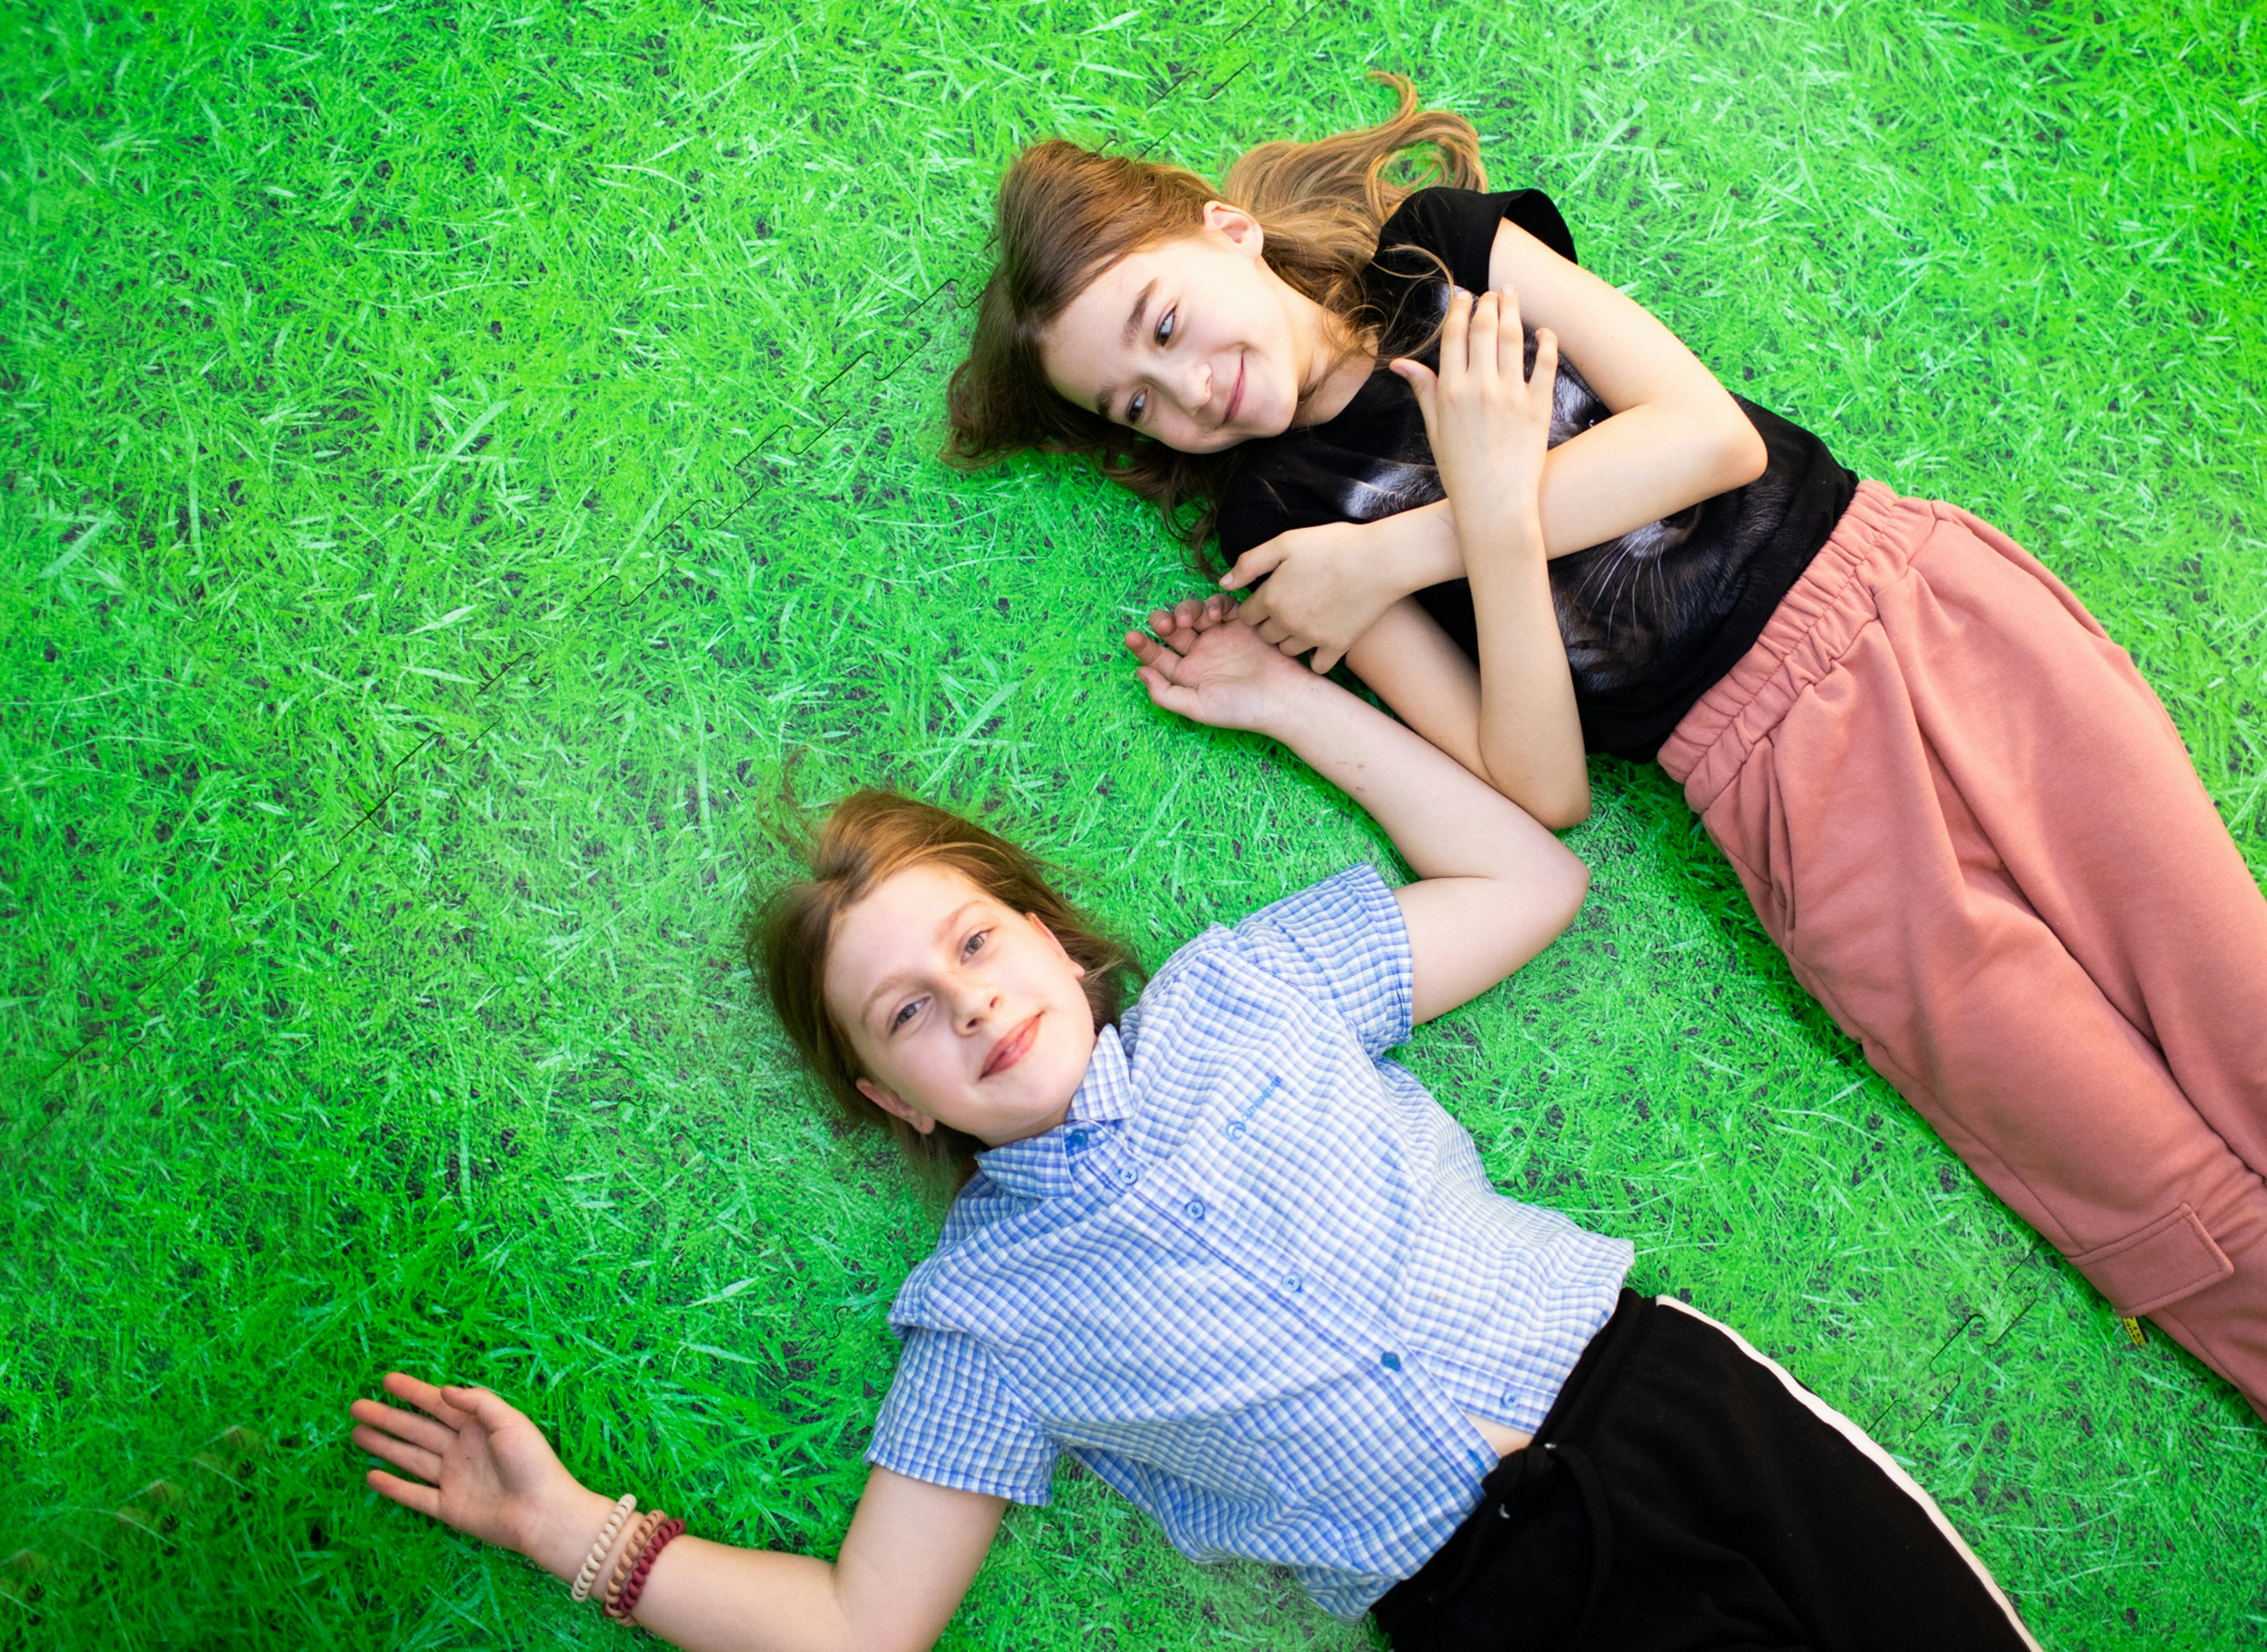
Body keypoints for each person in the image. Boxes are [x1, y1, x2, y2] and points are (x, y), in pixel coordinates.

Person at [941, 71, 2267, 1647]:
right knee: (2174, 1221)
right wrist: (1387, 563)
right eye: (1137, 404)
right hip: (1769, 796)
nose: (1185, 390)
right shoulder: (1278, 530)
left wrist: (1446, 517)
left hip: (1923, 623)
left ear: (1224, 233)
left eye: (1164, 324)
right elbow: (1535, 788)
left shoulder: (1441, 258)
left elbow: (1709, 442)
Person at [350, 561, 2042, 1643]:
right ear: (893, 1095)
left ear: (1052, 941)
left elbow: (1523, 881)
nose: (971, 1002)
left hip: (1666, 1404)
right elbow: (869, 1626)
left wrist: (1294, 701)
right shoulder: (987, 1323)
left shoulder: (1253, 988)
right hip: (1499, 1608)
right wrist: (576, 1532)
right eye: (911, 1014)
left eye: (974, 939)